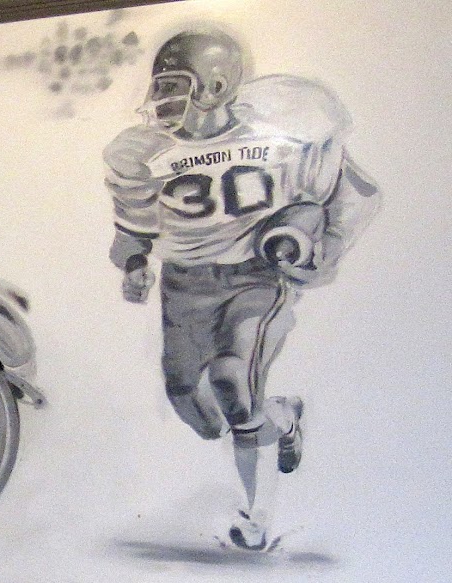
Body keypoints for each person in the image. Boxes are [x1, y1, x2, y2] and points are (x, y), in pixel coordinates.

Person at [104, 27, 379, 550]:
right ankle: (281, 417)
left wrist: (321, 242)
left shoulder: (278, 138)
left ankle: (255, 520)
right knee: (191, 402)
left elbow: (351, 194)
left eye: (173, 85)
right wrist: (135, 263)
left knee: (232, 378)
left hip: (253, 276)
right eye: (160, 86)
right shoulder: (145, 152)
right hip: (185, 283)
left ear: (214, 87)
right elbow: (133, 226)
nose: (160, 99)